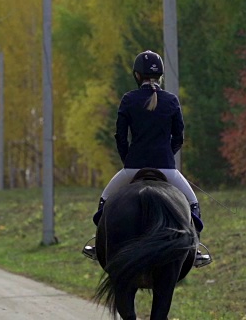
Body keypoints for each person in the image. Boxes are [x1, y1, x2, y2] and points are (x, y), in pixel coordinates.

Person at [82, 50, 211, 268]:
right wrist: (167, 156)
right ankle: (196, 248)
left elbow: (120, 137)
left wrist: (128, 160)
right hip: (167, 168)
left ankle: (98, 245)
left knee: (104, 202)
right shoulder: (171, 100)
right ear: (160, 75)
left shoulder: (129, 99)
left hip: (133, 167)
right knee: (193, 204)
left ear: (137, 75)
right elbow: (179, 136)